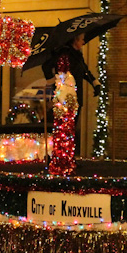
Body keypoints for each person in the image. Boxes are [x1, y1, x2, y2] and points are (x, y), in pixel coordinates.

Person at [42, 33, 101, 174]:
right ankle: (60, 158)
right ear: (75, 39)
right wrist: (53, 84)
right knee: (64, 129)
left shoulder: (77, 55)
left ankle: (69, 158)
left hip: (76, 97)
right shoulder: (63, 53)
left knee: (72, 129)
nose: (83, 41)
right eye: (81, 39)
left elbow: (84, 71)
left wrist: (95, 83)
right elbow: (46, 67)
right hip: (65, 97)